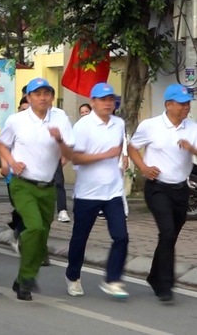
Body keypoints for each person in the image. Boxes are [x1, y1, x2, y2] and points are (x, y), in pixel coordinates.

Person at [0, 78, 74, 301]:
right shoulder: (16, 120)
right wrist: (11, 162)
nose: (42, 98)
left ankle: (22, 280)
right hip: (23, 184)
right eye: (37, 94)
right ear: (28, 98)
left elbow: (69, 153)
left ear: (52, 96)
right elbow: (1, 144)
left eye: (46, 93)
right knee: (34, 227)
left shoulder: (60, 118)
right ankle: (28, 276)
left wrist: (59, 141)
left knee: (42, 234)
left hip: (47, 186)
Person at [128, 83, 197, 303]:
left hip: (181, 189)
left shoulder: (192, 128)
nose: (186, 107)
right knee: (167, 232)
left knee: (171, 236)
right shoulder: (151, 125)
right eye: (182, 104)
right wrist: (144, 168)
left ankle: (154, 276)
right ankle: (165, 285)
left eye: (188, 103)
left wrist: (191, 149)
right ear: (168, 104)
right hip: (157, 187)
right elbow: (132, 147)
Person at [65, 83, 129, 299]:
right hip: (87, 193)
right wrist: (105, 155)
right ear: (92, 102)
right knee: (80, 238)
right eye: (103, 99)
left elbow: (120, 151)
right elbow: (76, 157)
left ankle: (112, 279)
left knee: (121, 236)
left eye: (111, 99)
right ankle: (73, 276)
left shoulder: (119, 124)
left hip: (112, 192)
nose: (108, 103)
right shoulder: (83, 126)